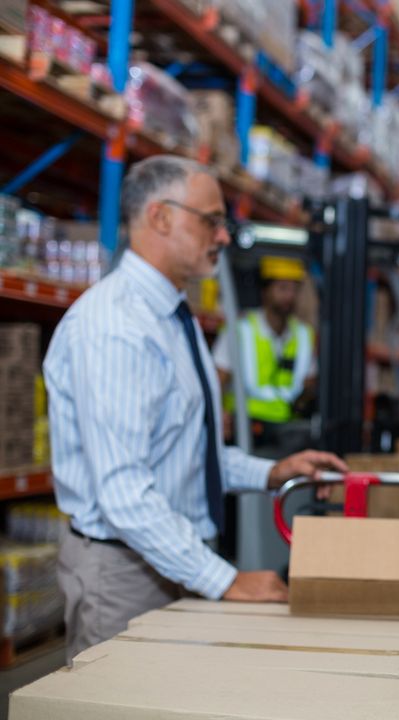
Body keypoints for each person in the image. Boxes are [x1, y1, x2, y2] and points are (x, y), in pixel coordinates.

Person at [43, 155, 348, 663]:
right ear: (160, 217)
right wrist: (225, 579)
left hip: (172, 556)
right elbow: (123, 492)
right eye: (211, 221)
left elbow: (185, 451)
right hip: (126, 575)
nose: (224, 236)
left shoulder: (172, 318)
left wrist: (271, 472)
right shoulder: (115, 326)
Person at [213, 255, 317, 447]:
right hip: (245, 426)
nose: (290, 296)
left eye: (294, 289)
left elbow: (309, 384)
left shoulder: (303, 335)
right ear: (265, 291)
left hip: (288, 430)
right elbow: (217, 380)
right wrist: (220, 416)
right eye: (282, 288)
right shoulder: (240, 330)